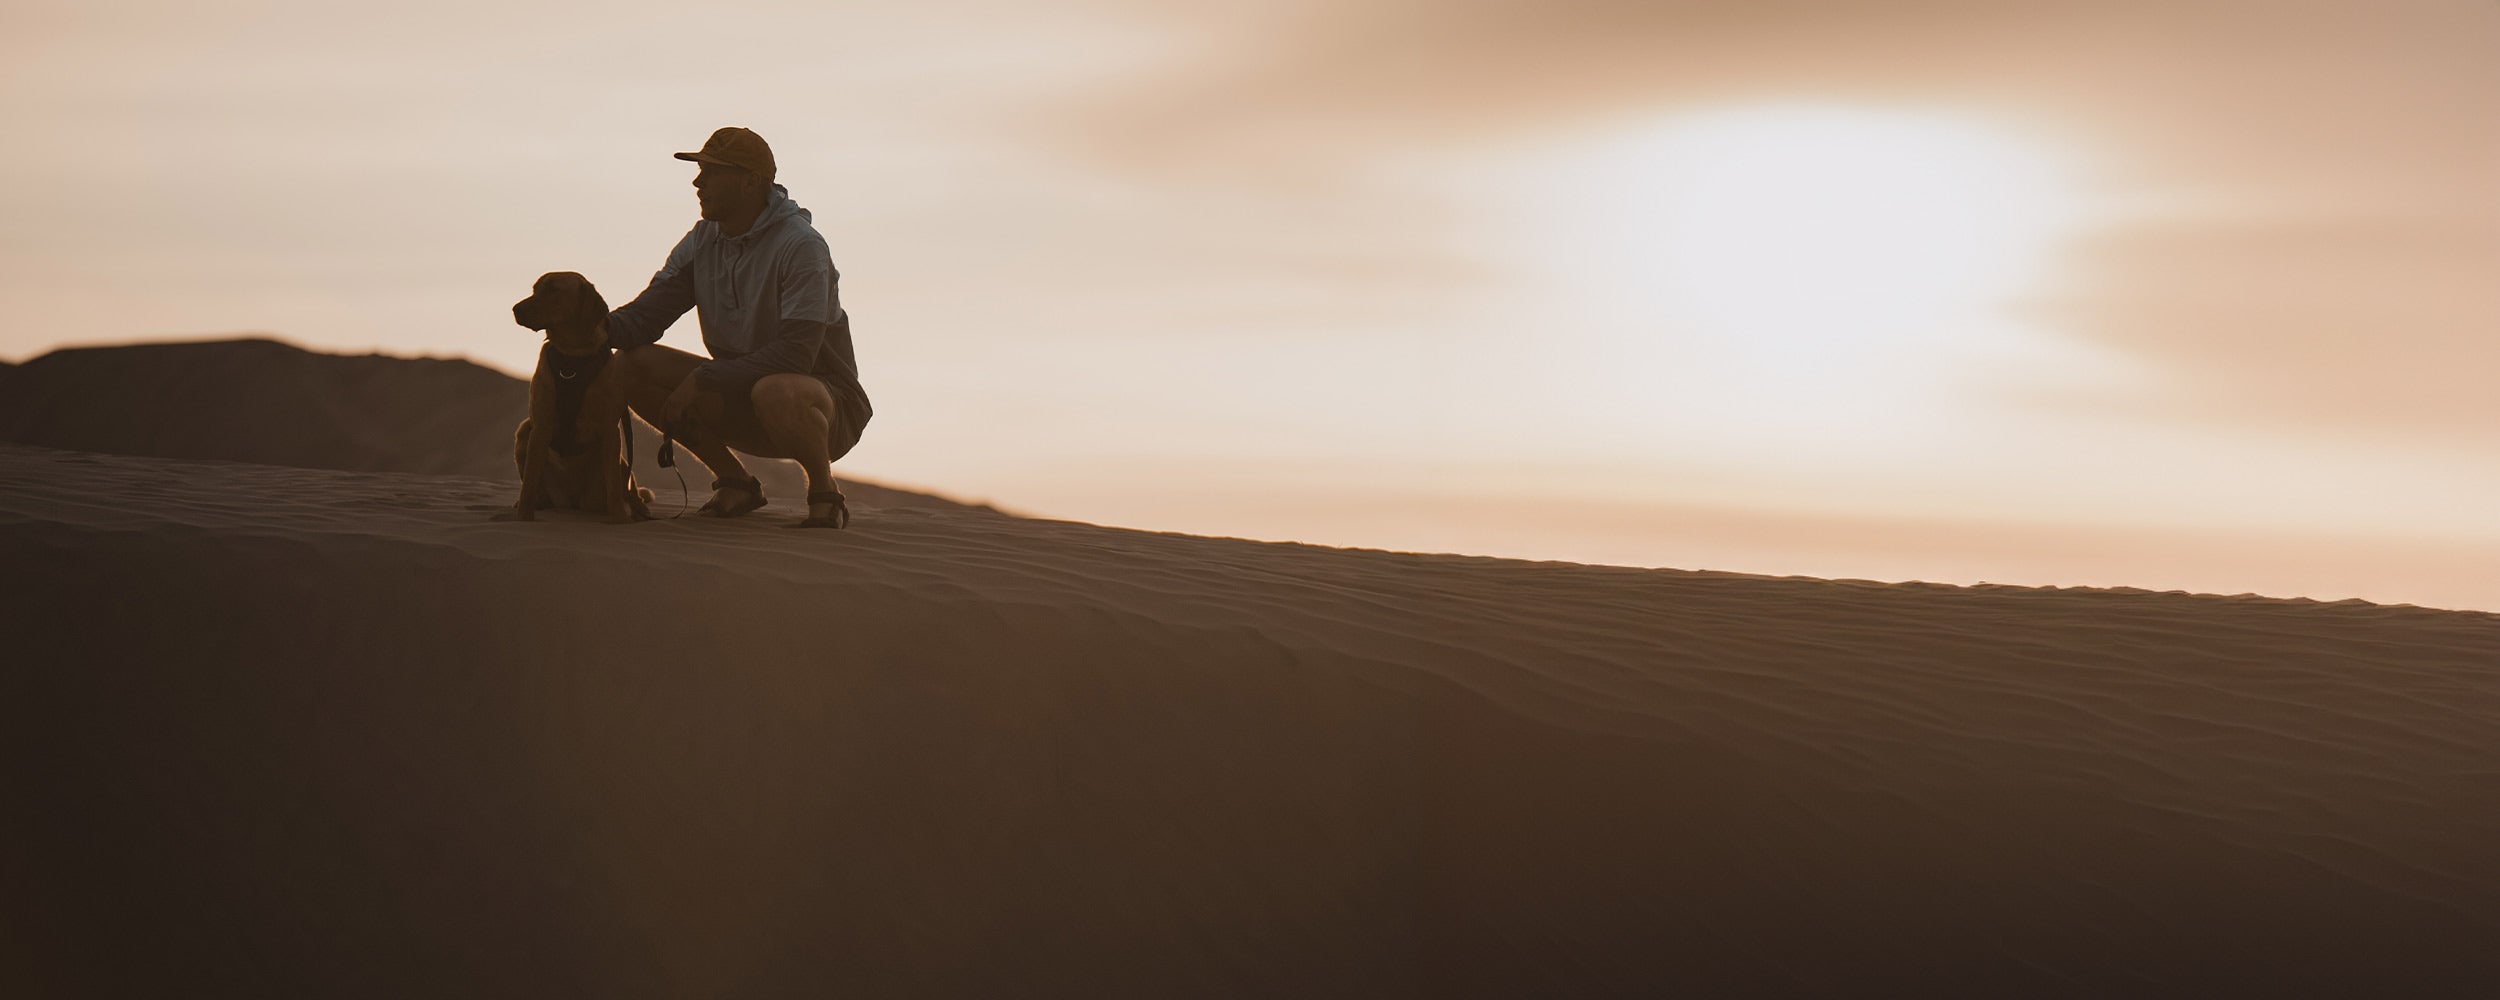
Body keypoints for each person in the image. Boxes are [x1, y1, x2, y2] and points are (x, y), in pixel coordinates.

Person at [603, 126, 872, 528]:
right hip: (738, 394)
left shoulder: (801, 246)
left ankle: (824, 492)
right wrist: (583, 326)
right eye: (699, 170)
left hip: (823, 408)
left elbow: (797, 355)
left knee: (778, 388)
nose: (698, 182)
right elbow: (644, 319)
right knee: (629, 364)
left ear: (750, 181)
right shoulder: (702, 241)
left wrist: (705, 376)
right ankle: (735, 482)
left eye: (712, 171)